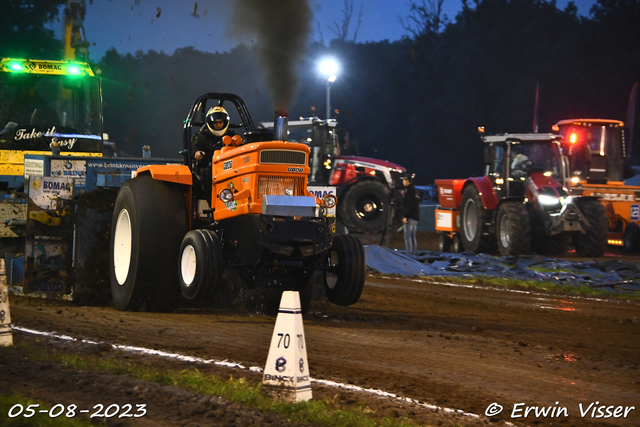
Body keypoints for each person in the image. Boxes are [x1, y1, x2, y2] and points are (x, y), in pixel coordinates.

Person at [191, 106, 234, 204]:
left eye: (220, 122)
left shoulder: (232, 136)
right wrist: (197, 153)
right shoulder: (202, 136)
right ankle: (214, 204)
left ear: (225, 123)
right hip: (208, 166)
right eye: (215, 123)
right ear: (210, 123)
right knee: (209, 173)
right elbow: (194, 148)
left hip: (230, 167)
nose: (218, 125)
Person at [401, 173, 420, 255]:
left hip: (410, 216)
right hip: (416, 216)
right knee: (413, 236)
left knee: (407, 236)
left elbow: (408, 204)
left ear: (407, 181)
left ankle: (409, 253)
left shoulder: (409, 191)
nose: (403, 182)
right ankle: (413, 252)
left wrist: (405, 215)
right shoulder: (415, 190)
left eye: (404, 180)